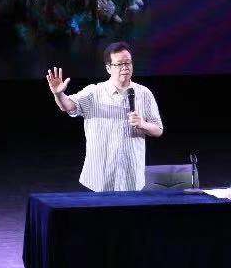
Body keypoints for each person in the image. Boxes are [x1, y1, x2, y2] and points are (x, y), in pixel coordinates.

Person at [45, 43, 164, 191]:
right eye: (119, 64)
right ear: (108, 68)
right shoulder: (94, 92)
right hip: (99, 177)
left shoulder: (144, 93)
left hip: (131, 175)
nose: (125, 67)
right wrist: (58, 94)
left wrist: (142, 124)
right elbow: (68, 106)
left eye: (128, 63)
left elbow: (158, 130)